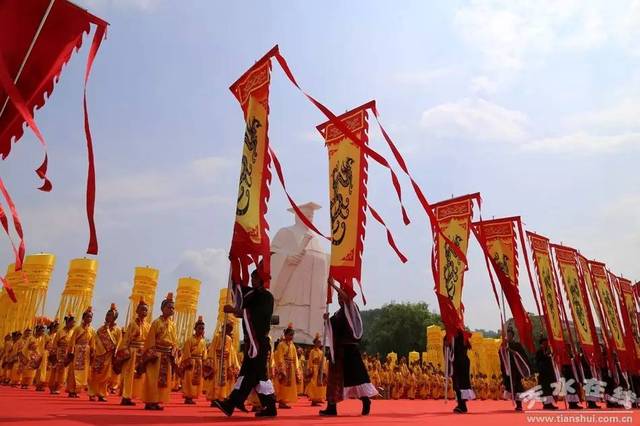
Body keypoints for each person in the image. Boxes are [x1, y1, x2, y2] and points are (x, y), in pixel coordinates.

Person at [213, 266, 278, 418]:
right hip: (251, 343)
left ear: (261, 280)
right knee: (258, 377)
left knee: (250, 374)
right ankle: (269, 407)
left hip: (259, 343)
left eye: (255, 278)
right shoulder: (251, 294)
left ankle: (232, 403)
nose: (252, 280)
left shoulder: (267, 297)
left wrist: (234, 310)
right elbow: (238, 290)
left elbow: (256, 315)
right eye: (252, 277)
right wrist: (234, 264)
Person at [320, 279, 377, 416]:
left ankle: (365, 400)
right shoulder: (338, 313)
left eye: (341, 296)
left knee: (357, 379)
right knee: (334, 380)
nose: (340, 298)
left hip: (350, 351)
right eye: (338, 296)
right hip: (338, 352)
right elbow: (333, 330)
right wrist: (327, 321)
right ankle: (332, 407)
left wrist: (333, 285)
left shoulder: (352, 308)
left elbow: (347, 299)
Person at [142, 292, 178, 411]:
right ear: (162, 308)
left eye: (173, 307)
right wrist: (151, 354)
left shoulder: (173, 325)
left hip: (167, 355)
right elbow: (150, 340)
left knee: (163, 380)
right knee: (152, 379)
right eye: (169, 307)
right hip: (156, 354)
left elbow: (174, 341)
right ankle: (150, 401)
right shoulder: (156, 322)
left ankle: (156, 401)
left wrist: (174, 352)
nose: (171, 309)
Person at [117, 296, 150, 406]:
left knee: (139, 375)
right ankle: (126, 396)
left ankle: (132, 395)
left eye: (146, 310)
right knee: (129, 374)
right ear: (137, 311)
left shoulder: (148, 325)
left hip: (141, 352)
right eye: (142, 309)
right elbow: (126, 340)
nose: (144, 311)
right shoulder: (132, 324)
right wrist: (124, 352)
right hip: (131, 352)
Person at [89, 303, 122, 402]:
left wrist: (115, 354)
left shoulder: (118, 330)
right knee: (95, 374)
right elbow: (95, 341)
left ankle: (102, 393)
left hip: (109, 356)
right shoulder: (100, 329)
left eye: (110, 315)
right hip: (99, 355)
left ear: (115, 318)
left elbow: (119, 343)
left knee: (106, 376)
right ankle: (92, 393)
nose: (108, 317)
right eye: (107, 315)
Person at [206, 321, 239, 404]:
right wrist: (212, 362)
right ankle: (214, 398)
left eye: (230, 329)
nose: (229, 330)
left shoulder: (229, 339)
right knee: (215, 380)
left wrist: (231, 365)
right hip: (217, 361)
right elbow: (212, 349)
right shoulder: (217, 337)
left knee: (225, 380)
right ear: (223, 328)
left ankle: (221, 397)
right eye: (227, 328)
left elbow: (231, 353)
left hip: (226, 361)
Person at [499, 327, 531, 411]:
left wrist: (512, 351)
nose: (508, 336)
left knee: (517, 386)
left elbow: (522, 356)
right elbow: (501, 356)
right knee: (510, 386)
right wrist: (504, 350)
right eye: (507, 335)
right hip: (508, 370)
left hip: (516, 369)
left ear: (513, 336)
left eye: (510, 335)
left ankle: (519, 405)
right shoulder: (504, 345)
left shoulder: (517, 345)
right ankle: (517, 403)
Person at [67, 306, 96, 399]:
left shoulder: (92, 330)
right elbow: (72, 341)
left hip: (86, 352)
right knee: (74, 371)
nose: (89, 319)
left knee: (83, 371)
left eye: (90, 317)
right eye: (87, 317)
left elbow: (92, 342)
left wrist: (92, 351)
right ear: (83, 318)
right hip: (77, 350)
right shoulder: (77, 329)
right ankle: (71, 390)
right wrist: (71, 351)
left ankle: (77, 390)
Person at [447, 330, 475, 413]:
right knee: (458, 385)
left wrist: (448, 342)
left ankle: (462, 405)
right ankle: (461, 404)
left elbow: (457, 349)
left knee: (460, 385)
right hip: (459, 363)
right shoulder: (455, 336)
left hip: (461, 363)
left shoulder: (460, 337)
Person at [182, 316, 207, 404]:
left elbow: (204, 353)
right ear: (195, 329)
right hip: (191, 361)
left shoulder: (203, 341)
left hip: (199, 362)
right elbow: (186, 352)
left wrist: (204, 363)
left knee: (197, 380)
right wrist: (188, 362)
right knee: (189, 379)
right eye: (199, 328)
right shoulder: (189, 340)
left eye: (202, 328)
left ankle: (193, 396)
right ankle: (188, 396)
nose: (201, 330)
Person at [274, 324, 299, 408]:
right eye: (290, 335)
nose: (291, 337)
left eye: (292, 335)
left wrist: (296, 369)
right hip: (284, 367)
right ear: (285, 335)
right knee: (282, 384)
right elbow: (280, 356)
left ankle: (284, 400)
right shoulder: (281, 344)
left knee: (288, 385)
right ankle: (281, 401)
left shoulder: (292, 345)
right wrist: (282, 368)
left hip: (291, 367)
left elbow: (295, 357)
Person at [49, 314, 75, 394]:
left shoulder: (73, 332)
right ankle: (53, 386)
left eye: (74, 322)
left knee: (64, 371)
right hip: (59, 352)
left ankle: (59, 387)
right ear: (67, 322)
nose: (73, 324)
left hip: (67, 353)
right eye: (72, 322)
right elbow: (55, 343)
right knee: (56, 370)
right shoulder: (60, 332)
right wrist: (53, 354)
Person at [535, 337, 558, 410]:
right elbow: (539, 362)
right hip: (543, 374)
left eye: (546, 343)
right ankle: (546, 404)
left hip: (549, 374)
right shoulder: (539, 352)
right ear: (541, 344)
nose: (546, 344)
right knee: (545, 390)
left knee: (550, 389)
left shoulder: (549, 351)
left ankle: (550, 403)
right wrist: (545, 355)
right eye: (544, 343)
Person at [306, 333, 327, 406]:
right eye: (318, 342)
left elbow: (323, 361)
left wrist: (323, 370)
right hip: (314, 369)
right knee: (314, 384)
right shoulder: (312, 351)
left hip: (320, 369)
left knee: (320, 384)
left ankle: (318, 398)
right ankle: (313, 399)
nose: (319, 343)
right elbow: (310, 361)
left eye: (320, 342)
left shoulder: (321, 352)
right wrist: (311, 369)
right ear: (315, 343)